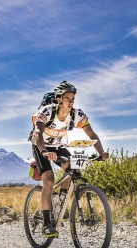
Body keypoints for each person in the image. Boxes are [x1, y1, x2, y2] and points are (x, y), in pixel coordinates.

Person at [30, 81, 109, 238]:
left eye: (73, 98)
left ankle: (59, 203)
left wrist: (101, 152)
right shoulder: (47, 111)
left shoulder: (76, 114)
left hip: (58, 146)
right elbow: (37, 133)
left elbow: (92, 135)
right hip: (41, 146)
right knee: (49, 180)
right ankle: (47, 224)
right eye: (67, 98)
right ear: (59, 99)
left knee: (71, 167)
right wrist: (44, 151)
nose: (71, 101)